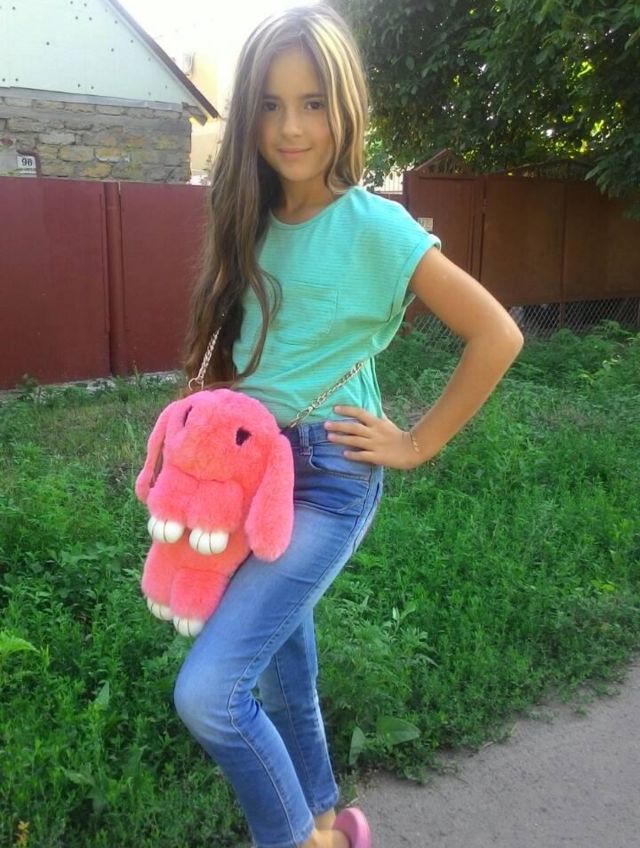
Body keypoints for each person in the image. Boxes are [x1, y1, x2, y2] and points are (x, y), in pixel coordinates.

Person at [172, 4, 524, 848]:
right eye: (270, 104)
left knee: (211, 694)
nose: (291, 127)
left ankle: (304, 840)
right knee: (282, 668)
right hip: (249, 475)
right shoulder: (247, 216)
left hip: (327, 476)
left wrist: (416, 442)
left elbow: (497, 334)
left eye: (313, 103)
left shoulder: (375, 226)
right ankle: (329, 817)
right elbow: (239, 352)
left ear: (346, 108)